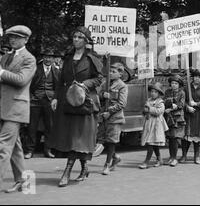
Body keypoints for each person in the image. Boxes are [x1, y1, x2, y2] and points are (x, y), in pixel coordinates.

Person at [0, 25, 36, 200]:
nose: (12, 40)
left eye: (16, 37)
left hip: (16, 109)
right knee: (15, 147)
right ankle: (25, 181)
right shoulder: (5, 57)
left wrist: (2, 72)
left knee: (3, 146)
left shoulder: (29, 59)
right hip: (4, 107)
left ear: (25, 39)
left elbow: (22, 80)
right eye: (11, 37)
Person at [49, 26, 103, 187]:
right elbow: (60, 81)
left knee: (80, 138)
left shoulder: (92, 59)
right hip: (68, 101)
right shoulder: (67, 58)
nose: (76, 39)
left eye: (80, 37)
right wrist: (56, 98)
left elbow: (99, 79)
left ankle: (67, 172)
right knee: (72, 137)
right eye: (75, 36)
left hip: (85, 102)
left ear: (86, 41)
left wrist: (85, 84)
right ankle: (85, 167)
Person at [23, 48, 60, 159]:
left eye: (50, 57)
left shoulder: (57, 71)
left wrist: (55, 98)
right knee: (32, 126)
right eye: (46, 56)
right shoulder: (35, 69)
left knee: (49, 126)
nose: (48, 59)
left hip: (50, 101)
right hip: (35, 100)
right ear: (43, 57)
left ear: (53, 59)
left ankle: (47, 150)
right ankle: (29, 150)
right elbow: (28, 83)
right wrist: (30, 96)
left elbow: (58, 87)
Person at [98, 63, 128, 175]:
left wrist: (109, 111)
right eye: (110, 71)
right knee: (102, 139)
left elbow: (122, 103)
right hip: (103, 117)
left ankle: (107, 164)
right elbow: (98, 94)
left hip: (115, 118)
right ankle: (115, 157)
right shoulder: (105, 83)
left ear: (120, 74)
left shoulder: (122, 86)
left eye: (113, 72)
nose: (110, 73)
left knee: (111, 141)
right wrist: (102, 95)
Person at [180, 69, 200, 164]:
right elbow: (182, 101)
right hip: (188, 115)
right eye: (195, 76)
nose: (197, 78)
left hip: (199, 115)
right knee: (186, 136)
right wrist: (187, 107)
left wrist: (196, 104)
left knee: (197, 137)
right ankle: (184, 155)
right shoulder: (187, 88)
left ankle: (196, 156)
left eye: (199, 77)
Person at [139, 82, 168, 169]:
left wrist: (149, 108)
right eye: (152, 91)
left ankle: (146, 161)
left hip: (156, 125)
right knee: (153, 143)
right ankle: (159, 159)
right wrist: (145, 110)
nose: (153, 93)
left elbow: (159, 112)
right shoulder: (148, 100)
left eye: (155, 92)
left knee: (151, 143)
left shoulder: (161, 102)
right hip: (149, 124)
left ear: (159, 93)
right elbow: (144, 111)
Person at [163, 74, 185, 167]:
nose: (174, 85)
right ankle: (171, 157)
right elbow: (164, 101)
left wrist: (172, 107)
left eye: (176, 83)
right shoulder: (167, 91)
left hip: (177, 118)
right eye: (172, 83)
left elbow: (181, 104)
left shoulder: (182, 93)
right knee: (170, 138)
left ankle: (175, 158)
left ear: (179, 84)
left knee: (175, 138)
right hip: (168, 117)